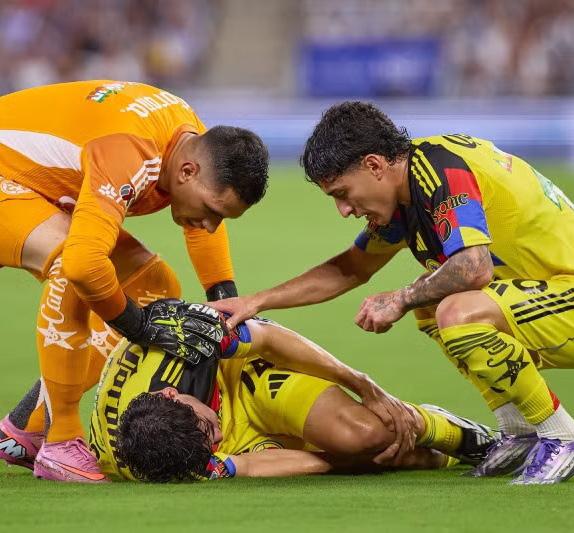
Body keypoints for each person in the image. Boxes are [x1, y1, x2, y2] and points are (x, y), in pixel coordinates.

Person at [211, 101, 574, 485]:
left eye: (343, 193)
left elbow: (473, 266)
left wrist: (401, 298)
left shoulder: (441, 169)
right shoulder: (410, 193)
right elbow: (351, 268)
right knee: (432, 301)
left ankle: (560, 435)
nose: (344, 210)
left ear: (374, 166)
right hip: (551, 299)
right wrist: (257, 301)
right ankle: (519, 431)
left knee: (455, 311)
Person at [0, 80, 268, 482]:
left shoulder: (189, 142)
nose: (211, 224)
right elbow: (83, 265)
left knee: (154, 283)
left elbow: (199, 225)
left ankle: (27, 427)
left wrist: (223, 295)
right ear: (188, 171)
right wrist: (137, 326)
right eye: (213, 210)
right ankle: (61, 441)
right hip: (11, 181)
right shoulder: (128, 151)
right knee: (71, 262)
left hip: (30, 184)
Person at [87, 305, 497, 482]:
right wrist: (345, 463)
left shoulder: (183, 342)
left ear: (172, 394)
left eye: (208, 428)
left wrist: (363, 385)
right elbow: (245, 467)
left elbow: (268, 337)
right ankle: (446, 457)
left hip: (245, 378)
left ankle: (456, 432)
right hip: (239, 441)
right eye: (209, 444)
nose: (218, 436)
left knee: (366, 434)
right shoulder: (159, 459)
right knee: (368, 453)